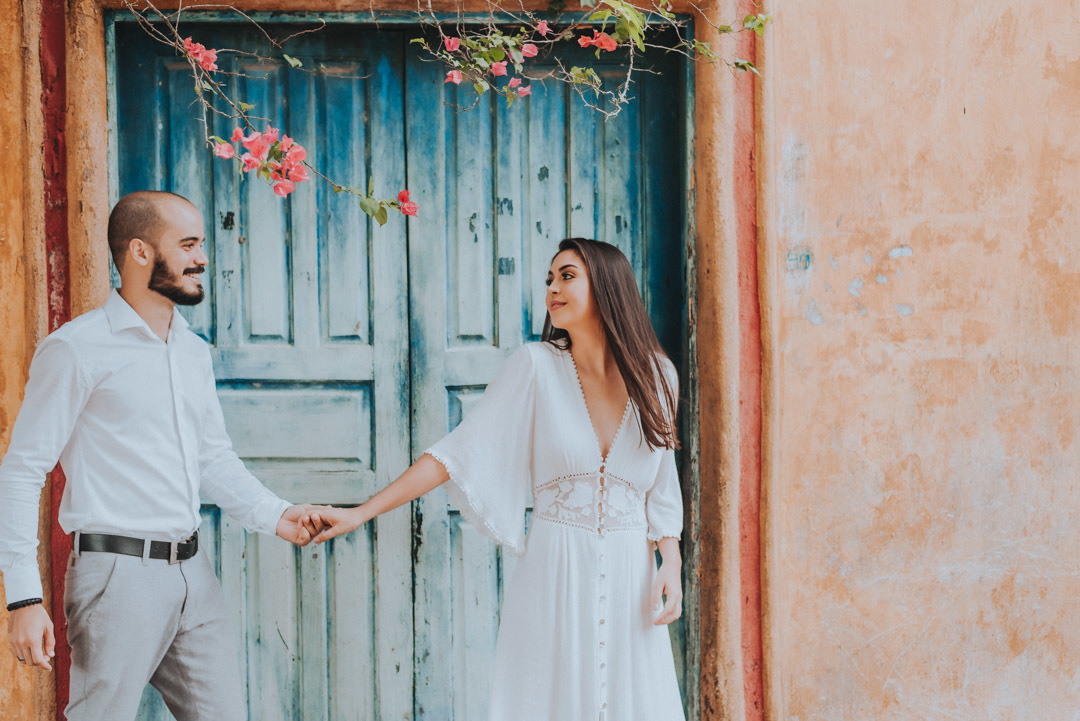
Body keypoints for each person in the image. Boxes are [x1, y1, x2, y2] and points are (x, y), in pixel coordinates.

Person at [312, 237, 686, 721]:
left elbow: (662, 483)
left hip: (631, 578)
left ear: (608, 285)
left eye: (567, 276)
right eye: (549, 279)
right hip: (553, 573)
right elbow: (457, 454)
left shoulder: (659, 375)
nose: (552, 288)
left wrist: (670, 560)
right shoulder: (535, 367)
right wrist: (361, 512)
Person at [0, 190, 323, 721]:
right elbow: (22, 471)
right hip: (117, 576)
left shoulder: (192, 351)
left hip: (194, 573)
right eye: (188, 245)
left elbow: (212, 458)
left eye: (202, 244)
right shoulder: (77, 349)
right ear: (140, 251)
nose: (202, 259)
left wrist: (276, 515)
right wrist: (23, 599)